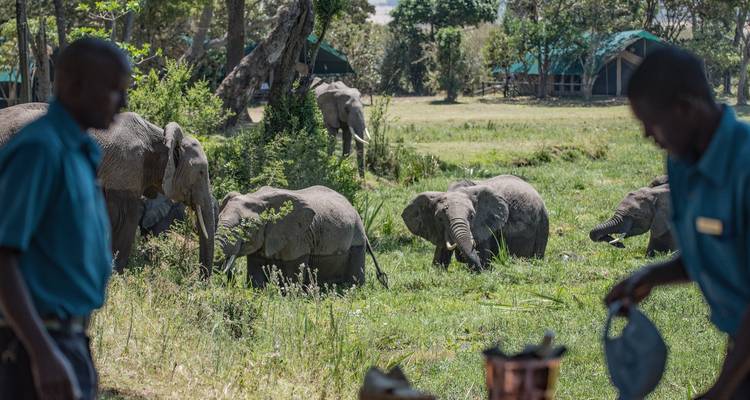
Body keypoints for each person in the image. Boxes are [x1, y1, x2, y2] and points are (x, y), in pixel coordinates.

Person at [604, 46, 750, 400]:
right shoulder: (682, 164)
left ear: (686, 108)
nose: (647, 136)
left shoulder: (745, 168)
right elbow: (708, 253)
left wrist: (721, 390)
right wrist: (649, 276)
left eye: (651, 123)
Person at [0, 38, 130, 400]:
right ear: (74, 86)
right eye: (113, 90)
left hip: (68, 339)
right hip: (34, 343)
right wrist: (42, 352)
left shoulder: (80, 151)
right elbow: (3, 256)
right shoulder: (39, 150)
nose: (123, 103)